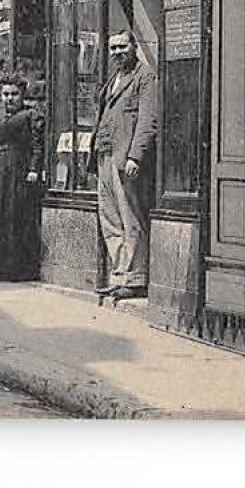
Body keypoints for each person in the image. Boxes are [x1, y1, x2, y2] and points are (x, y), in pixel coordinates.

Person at [88, 31, 158, 300]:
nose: (117, 52)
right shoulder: (113, 80)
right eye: (113, 48)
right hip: (105, 157)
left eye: (122, 47)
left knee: (131, 218)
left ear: (134, 47)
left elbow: (147, 120)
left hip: (124, 159)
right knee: (110, 218)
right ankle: (119, 275)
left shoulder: (144, 77)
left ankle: (136, 277)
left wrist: (135, 156)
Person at [0, 73, 46, 282]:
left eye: (14, 94)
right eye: (5, 94)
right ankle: (1, 264)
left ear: (22, 94)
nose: (9, 99)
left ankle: (19, 267)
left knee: (15, 216)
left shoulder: (31, 115)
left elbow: (37, 145)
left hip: (18, 171)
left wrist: (34, 169)